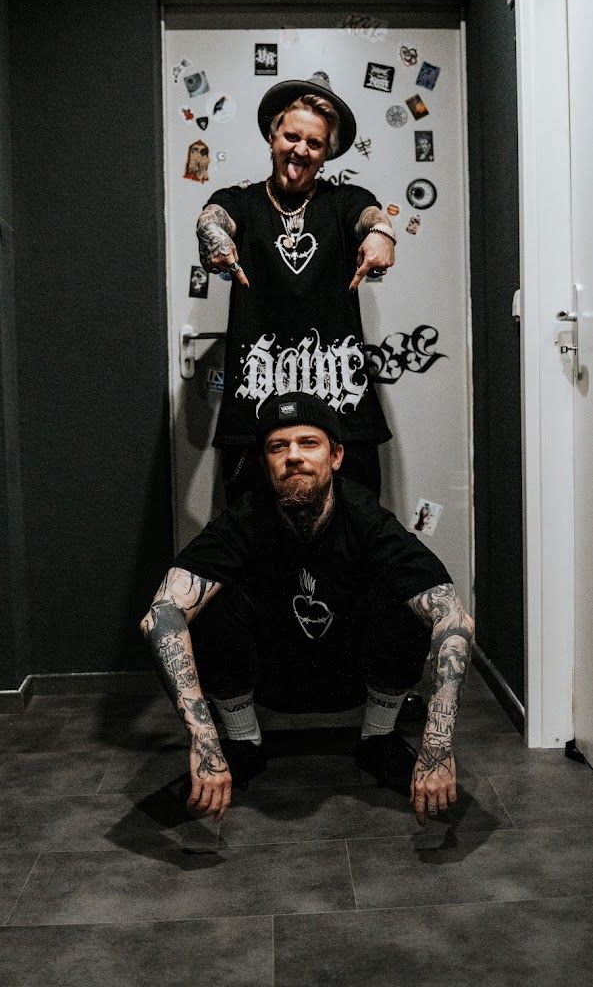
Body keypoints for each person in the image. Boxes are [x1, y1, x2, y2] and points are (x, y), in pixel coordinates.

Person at [140, 392, 475, 826]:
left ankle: (379, 739)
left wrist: (437, 745)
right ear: (265, 462)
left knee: (406, 600)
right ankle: (242, 744)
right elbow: (160, 614)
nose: (293, 456)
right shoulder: (245, 519)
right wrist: (204, 740)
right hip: (272, 681)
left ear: (336, 455)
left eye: (308, 443)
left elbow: (454, 618)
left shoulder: (366, 520)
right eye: (278, 447)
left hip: (351, 677)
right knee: (205, 604)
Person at [196, 72, 397, 501]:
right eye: (291, 136)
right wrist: (213, 236)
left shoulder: (344, 201)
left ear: (326, 154)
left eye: (314, 143)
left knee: (357, 537)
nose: (300, 150)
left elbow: (370, 216)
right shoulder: (243, 202)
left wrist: (382, 233)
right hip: (255, 414)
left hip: (342, 409)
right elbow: (214, 215)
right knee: (252, 544)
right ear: (272, 138)